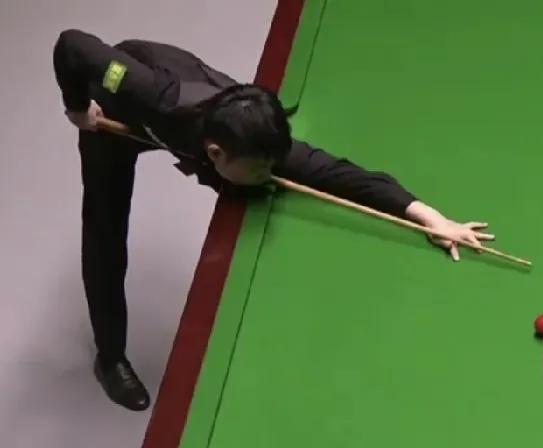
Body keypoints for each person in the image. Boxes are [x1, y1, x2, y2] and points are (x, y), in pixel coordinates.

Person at [52, 29, 494, 411]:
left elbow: (339, 174)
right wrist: (77, 107)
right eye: (261, 168)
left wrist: (428, 216)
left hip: (195, 130)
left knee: (256, 180)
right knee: (105, 232)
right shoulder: (148, 92)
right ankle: (110, 358)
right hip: (112, 118)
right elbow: (72, 45)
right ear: (217, 154)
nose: (271, 173)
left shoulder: (254, 135)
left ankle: (229, 177)